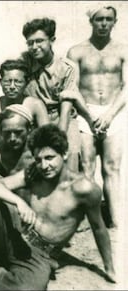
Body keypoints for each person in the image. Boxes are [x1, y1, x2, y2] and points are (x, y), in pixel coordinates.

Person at [0, 124, 115, 289]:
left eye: (49, 158)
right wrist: (19, 202)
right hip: (15, 235)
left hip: (41, 253)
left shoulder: (84, 189)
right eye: (38, 159)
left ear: (64, 154)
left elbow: (98, 228)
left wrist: (109, 268)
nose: (44, 166)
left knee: (30, 287)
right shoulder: (34, 173)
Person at [67, 5, 126, 228]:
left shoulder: (123, 50)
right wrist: (89, 116)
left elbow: (127, 87)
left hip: (114, 112)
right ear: (91, 21)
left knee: (112, 168)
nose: (103, 23)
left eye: (108, 19)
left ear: (114, 21)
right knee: (88, 166)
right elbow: (73, 87)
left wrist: (110, 114)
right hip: (86, 111)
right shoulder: (77, 51)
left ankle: (117, 220)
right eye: (99, 19)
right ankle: (92, 219)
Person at [21, 17, 93, 171]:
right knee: (32, 159)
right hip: (35, 119)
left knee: (69, 156)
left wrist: (58, 139)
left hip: (61, 117)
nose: (34, 46)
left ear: (52, 40)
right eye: (30, 42)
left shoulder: (68, 68)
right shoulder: (25, 62)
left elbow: (66, 108)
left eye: (39, 41)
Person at [0, 59, 49, 133]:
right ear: (1, 82)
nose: (12, 86)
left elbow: (47, 135)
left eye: (18, 82)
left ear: (26, 83)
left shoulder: (36, 105)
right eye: (7, 81)